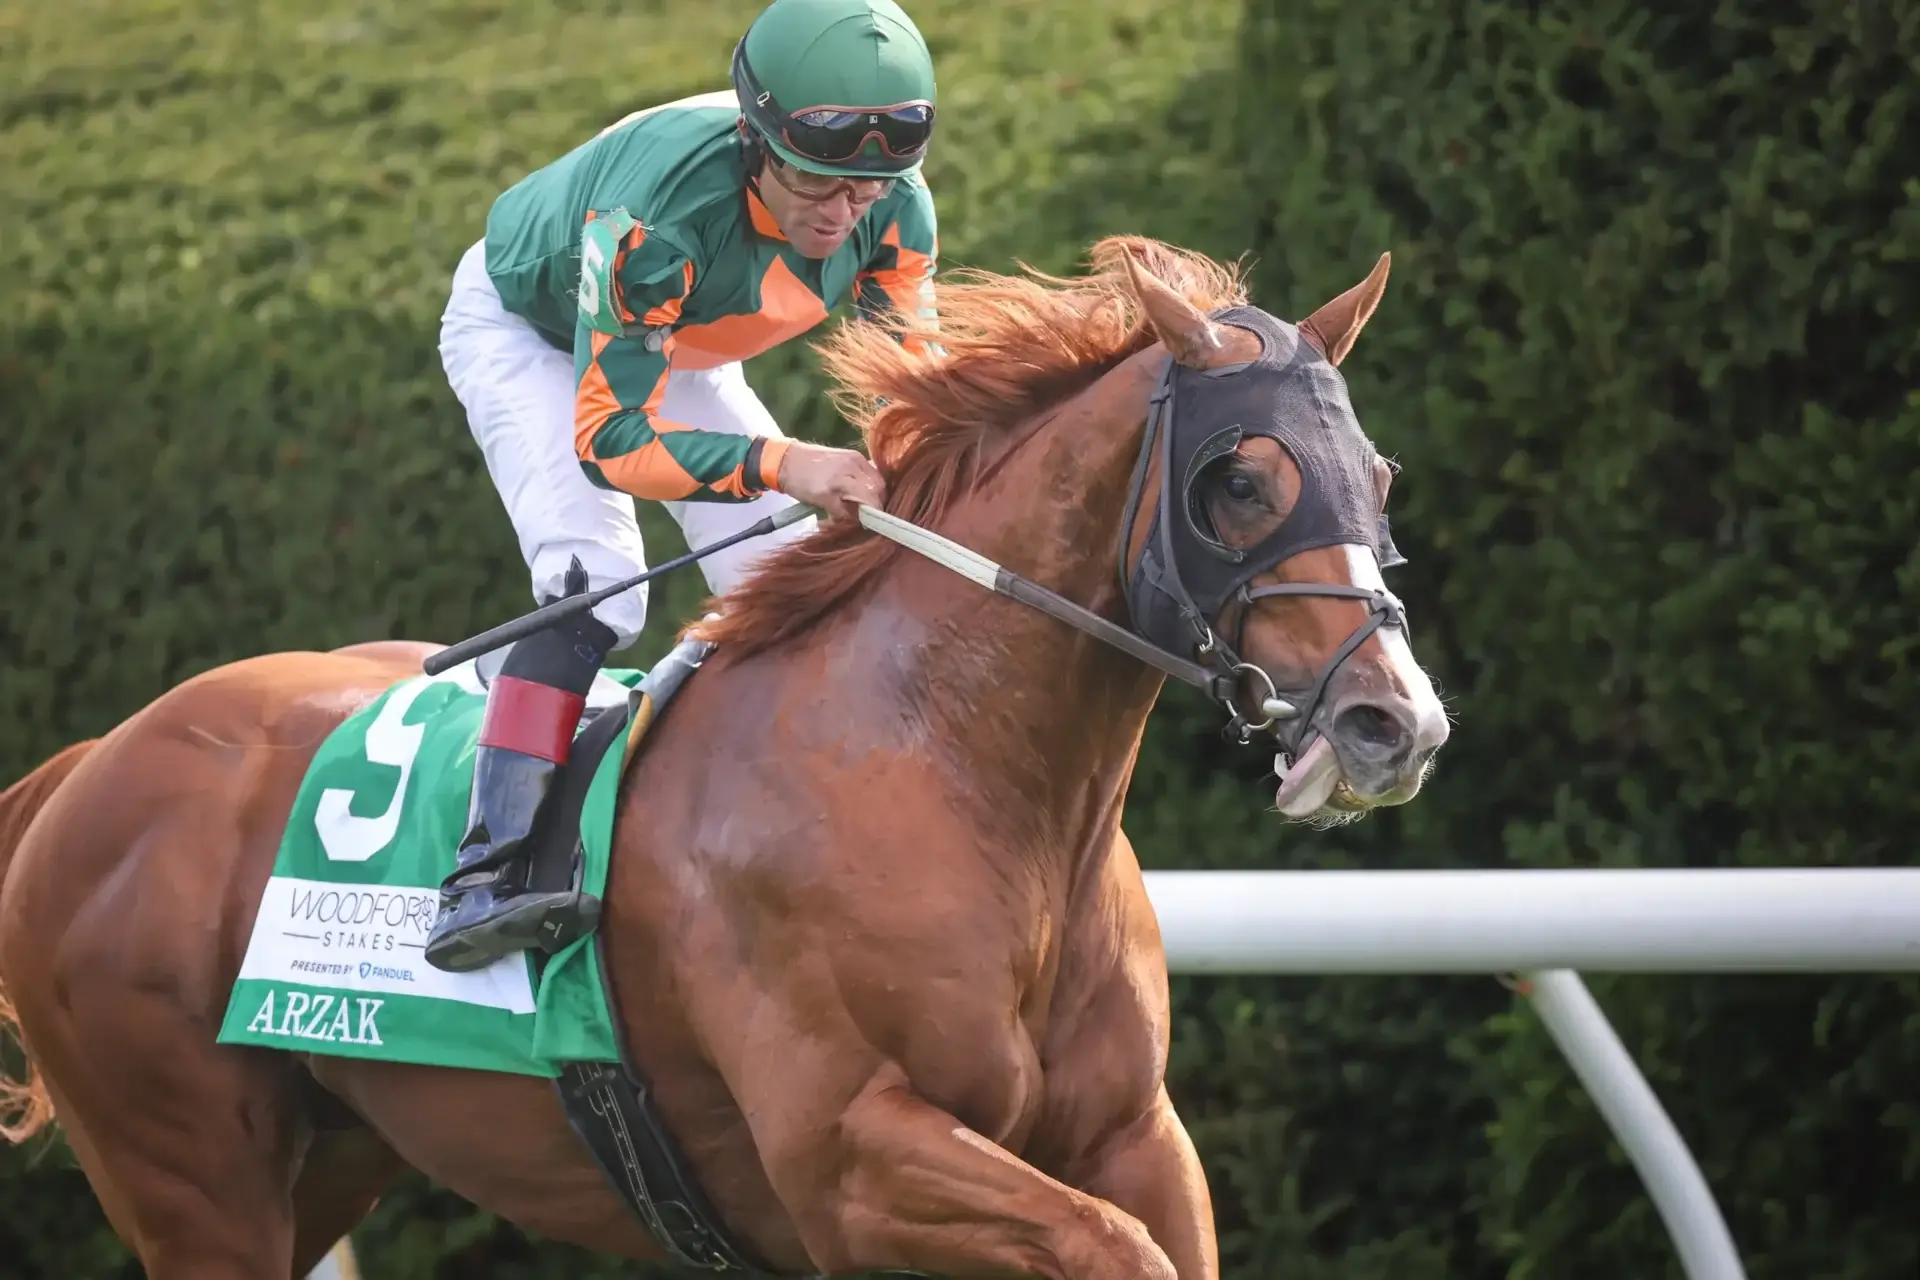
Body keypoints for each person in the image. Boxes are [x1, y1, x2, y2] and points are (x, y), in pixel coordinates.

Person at [426, 0, 941, 972]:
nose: (841, 215)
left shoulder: (897, 207)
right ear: (755, 139)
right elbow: (612, 440)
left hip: (678, 340)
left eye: (866, 188)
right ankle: (486, 875)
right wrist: (789, 462)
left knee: (796, 580)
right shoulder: (658, 217)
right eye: (815, 179)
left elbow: (914, 397)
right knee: (597, 581)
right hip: (531, 332)